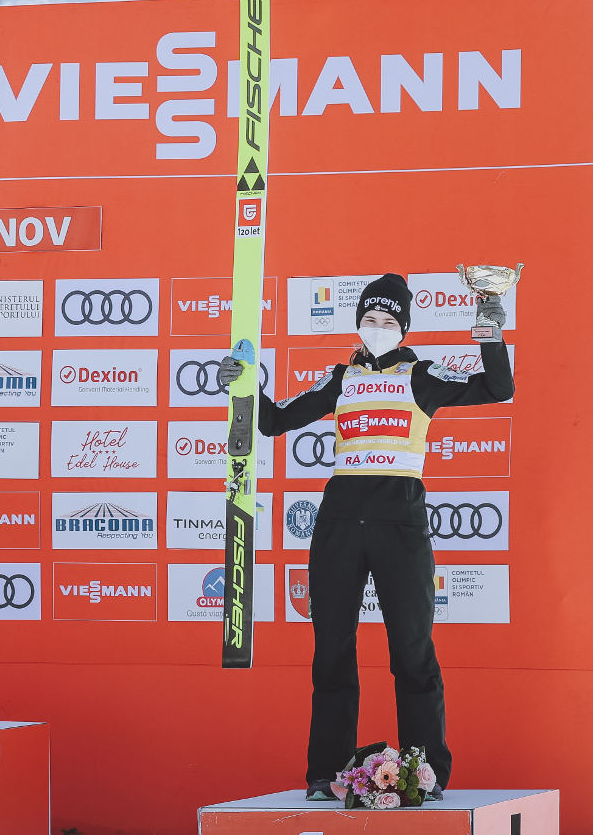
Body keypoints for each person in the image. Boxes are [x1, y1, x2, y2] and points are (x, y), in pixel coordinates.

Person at [219, 273, 513, 800]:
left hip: (400, 520)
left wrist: (490, 330)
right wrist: (244, 385)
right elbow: (275, 421)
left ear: (402, 329)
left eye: (388, 322)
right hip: (338, 520)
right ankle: (323, 775)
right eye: (369, 320)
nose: (377, 329)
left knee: (412, 650)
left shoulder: (421, 374)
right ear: (358, 322)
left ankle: (428, 774)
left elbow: (498, 388)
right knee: (332, 649)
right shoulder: (341, 377)